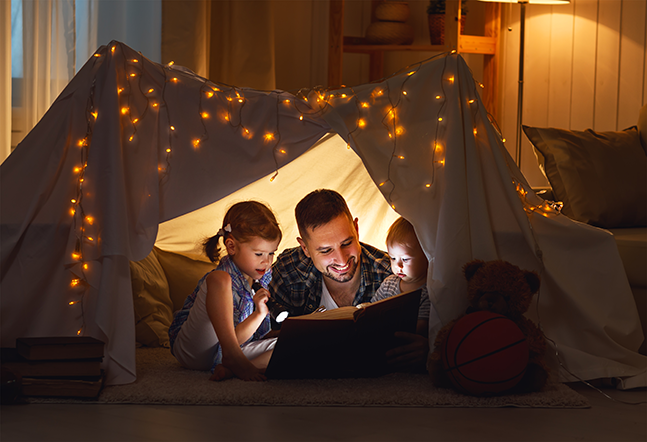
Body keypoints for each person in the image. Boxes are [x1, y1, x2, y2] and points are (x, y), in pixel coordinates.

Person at [269, 189, 427, 371]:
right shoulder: (289, 271)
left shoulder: (392, 274)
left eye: (346, 243)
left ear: (357, 230)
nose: (342, 260)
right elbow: (259, 337)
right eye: (326, 250)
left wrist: (427, 349)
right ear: (305, 247)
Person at [168, 201, 281, 382]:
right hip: (195, 349)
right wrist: (258, 315)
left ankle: (233, 369)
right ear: (231, 247)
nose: (266, 262)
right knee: (219, 279)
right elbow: (229, 340)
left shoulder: (262, 279)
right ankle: (234, 359)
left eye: (271, 253)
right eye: (259, 254)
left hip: (234, 350)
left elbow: (239, 339)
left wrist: (261, 315)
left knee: (294, 346)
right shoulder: (224, 277)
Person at [371, 217, 431, 338]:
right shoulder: (389, 284)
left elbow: (420, 327)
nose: (398, 265)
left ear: (426, 255)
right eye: (392, 258)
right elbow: (372, 309)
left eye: (405, 259)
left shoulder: (428, 290)